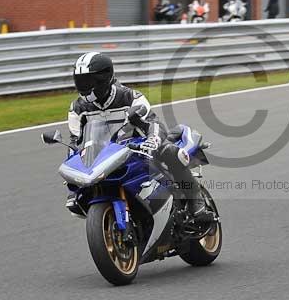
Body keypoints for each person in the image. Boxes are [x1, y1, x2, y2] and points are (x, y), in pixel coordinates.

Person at [66, 52, 212, 221]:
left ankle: (196, 201)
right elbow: (75, 143)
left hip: (139, 147)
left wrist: (153, 140)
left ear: (103, 78)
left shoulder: (130, 97)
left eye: (87, 81)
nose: (83, 86)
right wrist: (73, 187)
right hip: (105, 155)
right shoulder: (77, 108)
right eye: (80, 81)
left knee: (170, 152)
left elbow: (153, 123)